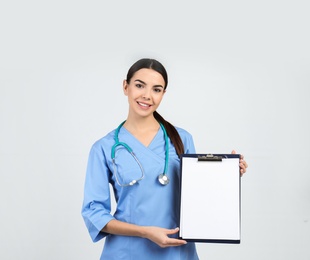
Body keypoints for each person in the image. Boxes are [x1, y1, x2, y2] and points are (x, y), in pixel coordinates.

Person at [81, 58, 248, 260]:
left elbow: (196, 195)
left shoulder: (181, 139)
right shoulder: (104, 148)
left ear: (163, 94)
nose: (147, 95)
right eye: (139, 85)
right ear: (126, 86)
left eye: (156, 89)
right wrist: (145, 232)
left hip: (176, 252)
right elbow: (95, 213)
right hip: (127, 252)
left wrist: (226, 174)